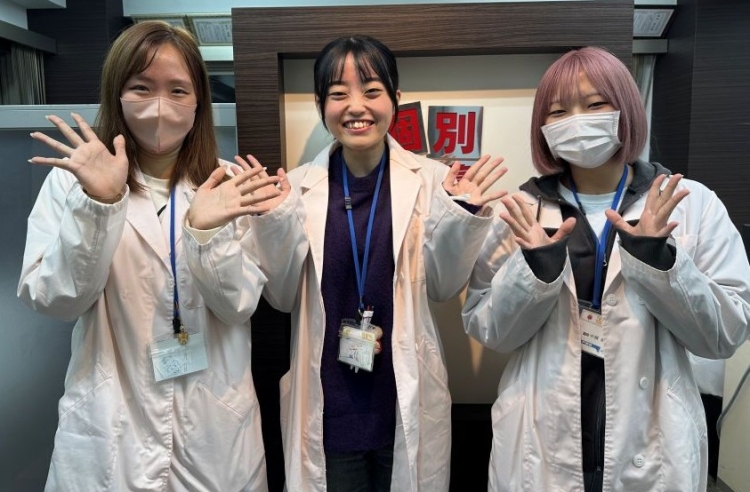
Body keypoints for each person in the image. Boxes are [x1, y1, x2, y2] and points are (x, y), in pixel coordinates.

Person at [462, 46, 750, 492]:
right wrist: (535, 272)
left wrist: (660, 263)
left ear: (626, 110)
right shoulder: (520, 210)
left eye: (595, 104)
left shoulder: (689, 203)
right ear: (543, 128)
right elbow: (490, 331)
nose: (577, 121)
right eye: (559, 112)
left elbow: (725, 333)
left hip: (653, 437)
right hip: (542, 435)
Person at [18, 21, 282, 491]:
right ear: (117, 93)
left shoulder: (228, 185)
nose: (160, 105)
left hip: (212, 429)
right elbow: (56, 301)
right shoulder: (72, 182)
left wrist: (206, 234)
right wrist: (98, 206)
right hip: (111, 428)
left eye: (178, 90)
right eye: (142, 87)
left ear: (199, 101)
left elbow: (238, 306)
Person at [255, 35, 506, 491]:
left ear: (395, 99)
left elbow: (444, 287)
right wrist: (273, 224)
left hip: (401, 400)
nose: (357, 106)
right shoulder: (295, 188)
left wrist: (462, 215)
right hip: (330, 407)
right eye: (338, 94)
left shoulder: (434, 181)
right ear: (320, 105)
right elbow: (282, 295)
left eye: (372, 91)